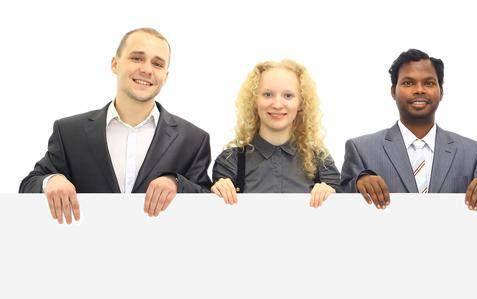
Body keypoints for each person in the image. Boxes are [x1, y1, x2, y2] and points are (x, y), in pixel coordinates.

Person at [20, 27, 212, 223]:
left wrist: (177, 183)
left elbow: (208, 201)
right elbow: (28, 184)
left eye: (157, 63)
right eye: (137, 58)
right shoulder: (69, 132)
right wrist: (51, 181)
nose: (146, 69)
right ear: (115, 64)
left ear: (166, 76)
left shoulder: (194, 140)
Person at [339, 49, 477, 211]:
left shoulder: (473, 153)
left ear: (441, 92)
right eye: (408, 83)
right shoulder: (361, 149)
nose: (419, 90)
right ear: (393, 91)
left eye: (429, 83)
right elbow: (338, 205)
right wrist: (358, 184)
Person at [210, 60, 339, 207]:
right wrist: (219, 192)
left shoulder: (322, 162)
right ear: (254, 100)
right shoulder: (230, 162)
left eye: (288, 96)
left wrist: (333, 196)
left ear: (301, 103)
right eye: (267, 94)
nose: (277, 104)